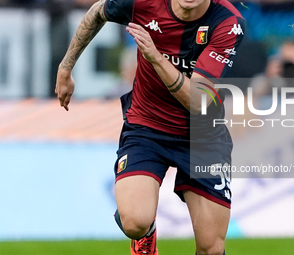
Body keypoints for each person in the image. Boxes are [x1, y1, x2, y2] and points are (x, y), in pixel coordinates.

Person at [55, 0, 245, 254]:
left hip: (204, 136)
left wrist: (155, 58)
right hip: (147, 127)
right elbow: (97, 12)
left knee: (211, 248)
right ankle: (146, 237)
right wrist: (66, 67)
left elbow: (198, 101)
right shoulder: (142, 2)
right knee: (135, 222)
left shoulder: (228, 23)